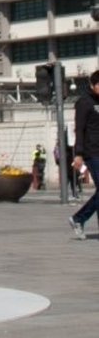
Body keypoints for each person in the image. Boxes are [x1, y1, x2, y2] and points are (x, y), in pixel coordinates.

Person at [69, 70, 99, 239]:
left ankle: (78, 219)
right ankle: (79, 218)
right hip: (92, 152)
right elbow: (79, 129)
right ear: (92, 85)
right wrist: (78, 154)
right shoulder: (84, 102)